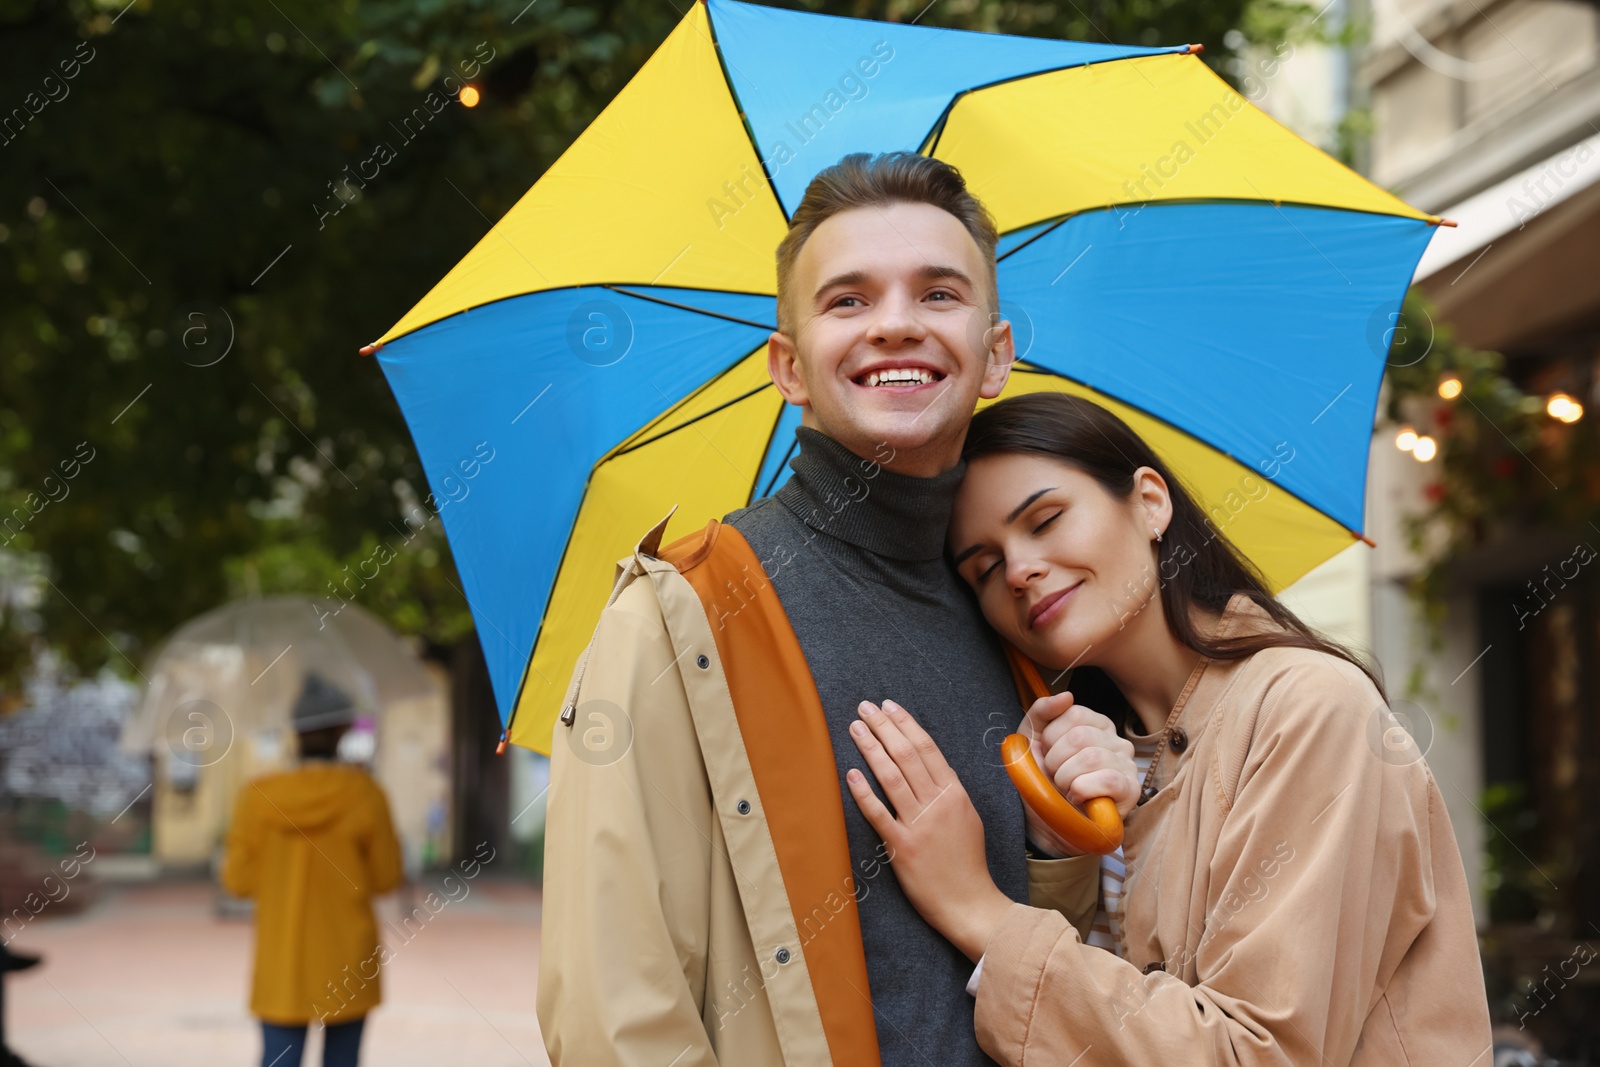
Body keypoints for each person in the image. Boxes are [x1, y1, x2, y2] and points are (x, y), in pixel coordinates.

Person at [537, 152, 1137, 1065]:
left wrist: (1057, 851)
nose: (896, 325)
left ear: (995, 354)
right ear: (789, 365)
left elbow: (1022, 969)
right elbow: (613, 1015)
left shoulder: (1015, 615)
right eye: (848, 301)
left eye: (938, 294)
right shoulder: (679, 619)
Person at [843, 392, 1494, 1065]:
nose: (1018, 570)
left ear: (1150, 502)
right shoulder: (1099, 756)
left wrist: (976, 907)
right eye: (983, 566)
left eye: (1045, 518)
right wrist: (1060, 844)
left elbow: (1254, 1052)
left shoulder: (1308, 708)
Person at [221, 673, 403, 1067]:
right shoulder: (366, 793)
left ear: (295, 729)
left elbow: (238, 882)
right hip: (349, 960)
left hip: (281, 959)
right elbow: (387, 878)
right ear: (342, 728)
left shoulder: (257, 797)